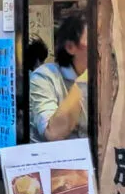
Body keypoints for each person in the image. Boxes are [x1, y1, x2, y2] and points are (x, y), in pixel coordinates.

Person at [30, 12, 88, 142]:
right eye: (96, 39)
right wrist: (86, 79)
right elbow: (53, 133)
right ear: (70, 47)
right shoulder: (44, 77)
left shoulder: (109, 80)